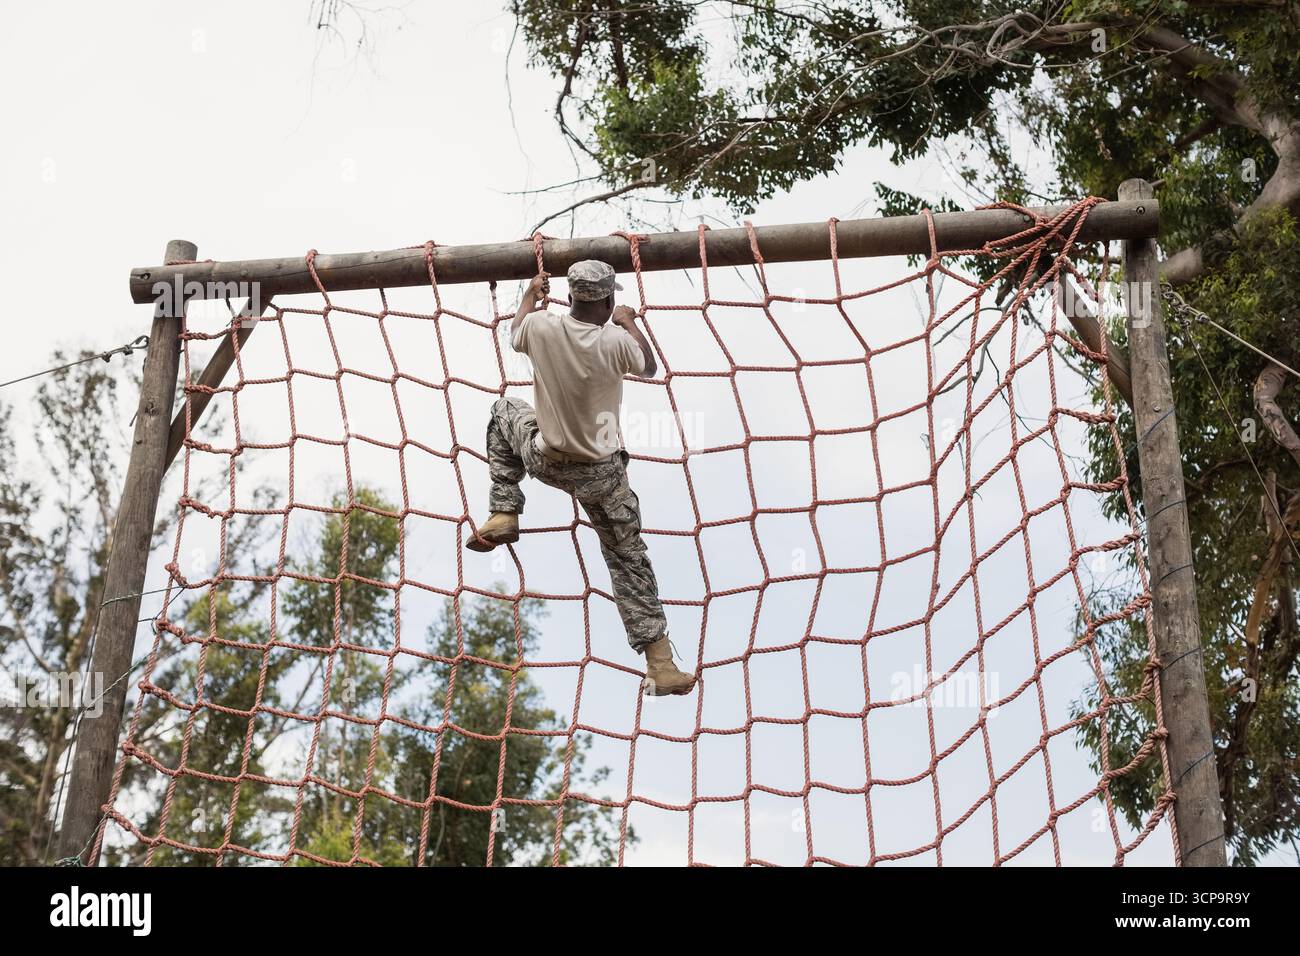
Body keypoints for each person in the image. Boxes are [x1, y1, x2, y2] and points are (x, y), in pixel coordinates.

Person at [466, 260, 696, 696]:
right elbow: (648, 366)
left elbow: (515, 332)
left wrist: (533, 294)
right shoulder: (615, 340)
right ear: (608, 302)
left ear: (570, 298)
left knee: (502, 412)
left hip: (547, 459)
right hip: (603, 476)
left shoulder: (541, 328)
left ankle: (503, 512)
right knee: (628, 559)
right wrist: (629, 322)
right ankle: (661, 664)